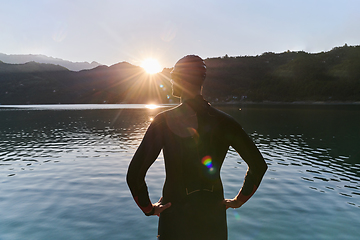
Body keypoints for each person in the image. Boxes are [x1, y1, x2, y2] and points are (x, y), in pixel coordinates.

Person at [127, 55, 267, 240]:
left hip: (175, 219)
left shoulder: (163, 121)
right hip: (213, 218)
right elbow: (258, 165)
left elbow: (135, 175)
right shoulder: (226, 122)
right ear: (201, 81)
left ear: (178, 80)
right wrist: (238, 201)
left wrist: (149, 208)